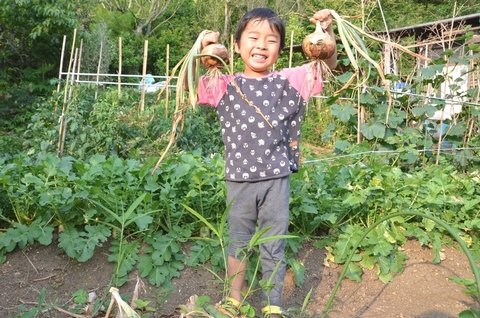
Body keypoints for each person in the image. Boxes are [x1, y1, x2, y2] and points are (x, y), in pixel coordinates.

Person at [195, 7, 337, 318]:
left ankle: (273, 305)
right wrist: (202, 47)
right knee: (239, 243)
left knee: (273, 244)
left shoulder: (292, 80)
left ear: (280, 49)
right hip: (239, 181)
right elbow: (192, 83)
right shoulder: (223, 83)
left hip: (277, 179)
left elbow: (326, 61)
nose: (261, 45)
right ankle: (233, 300)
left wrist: (325, 34)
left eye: (271, 40)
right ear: (236, 45)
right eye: (253, 38)